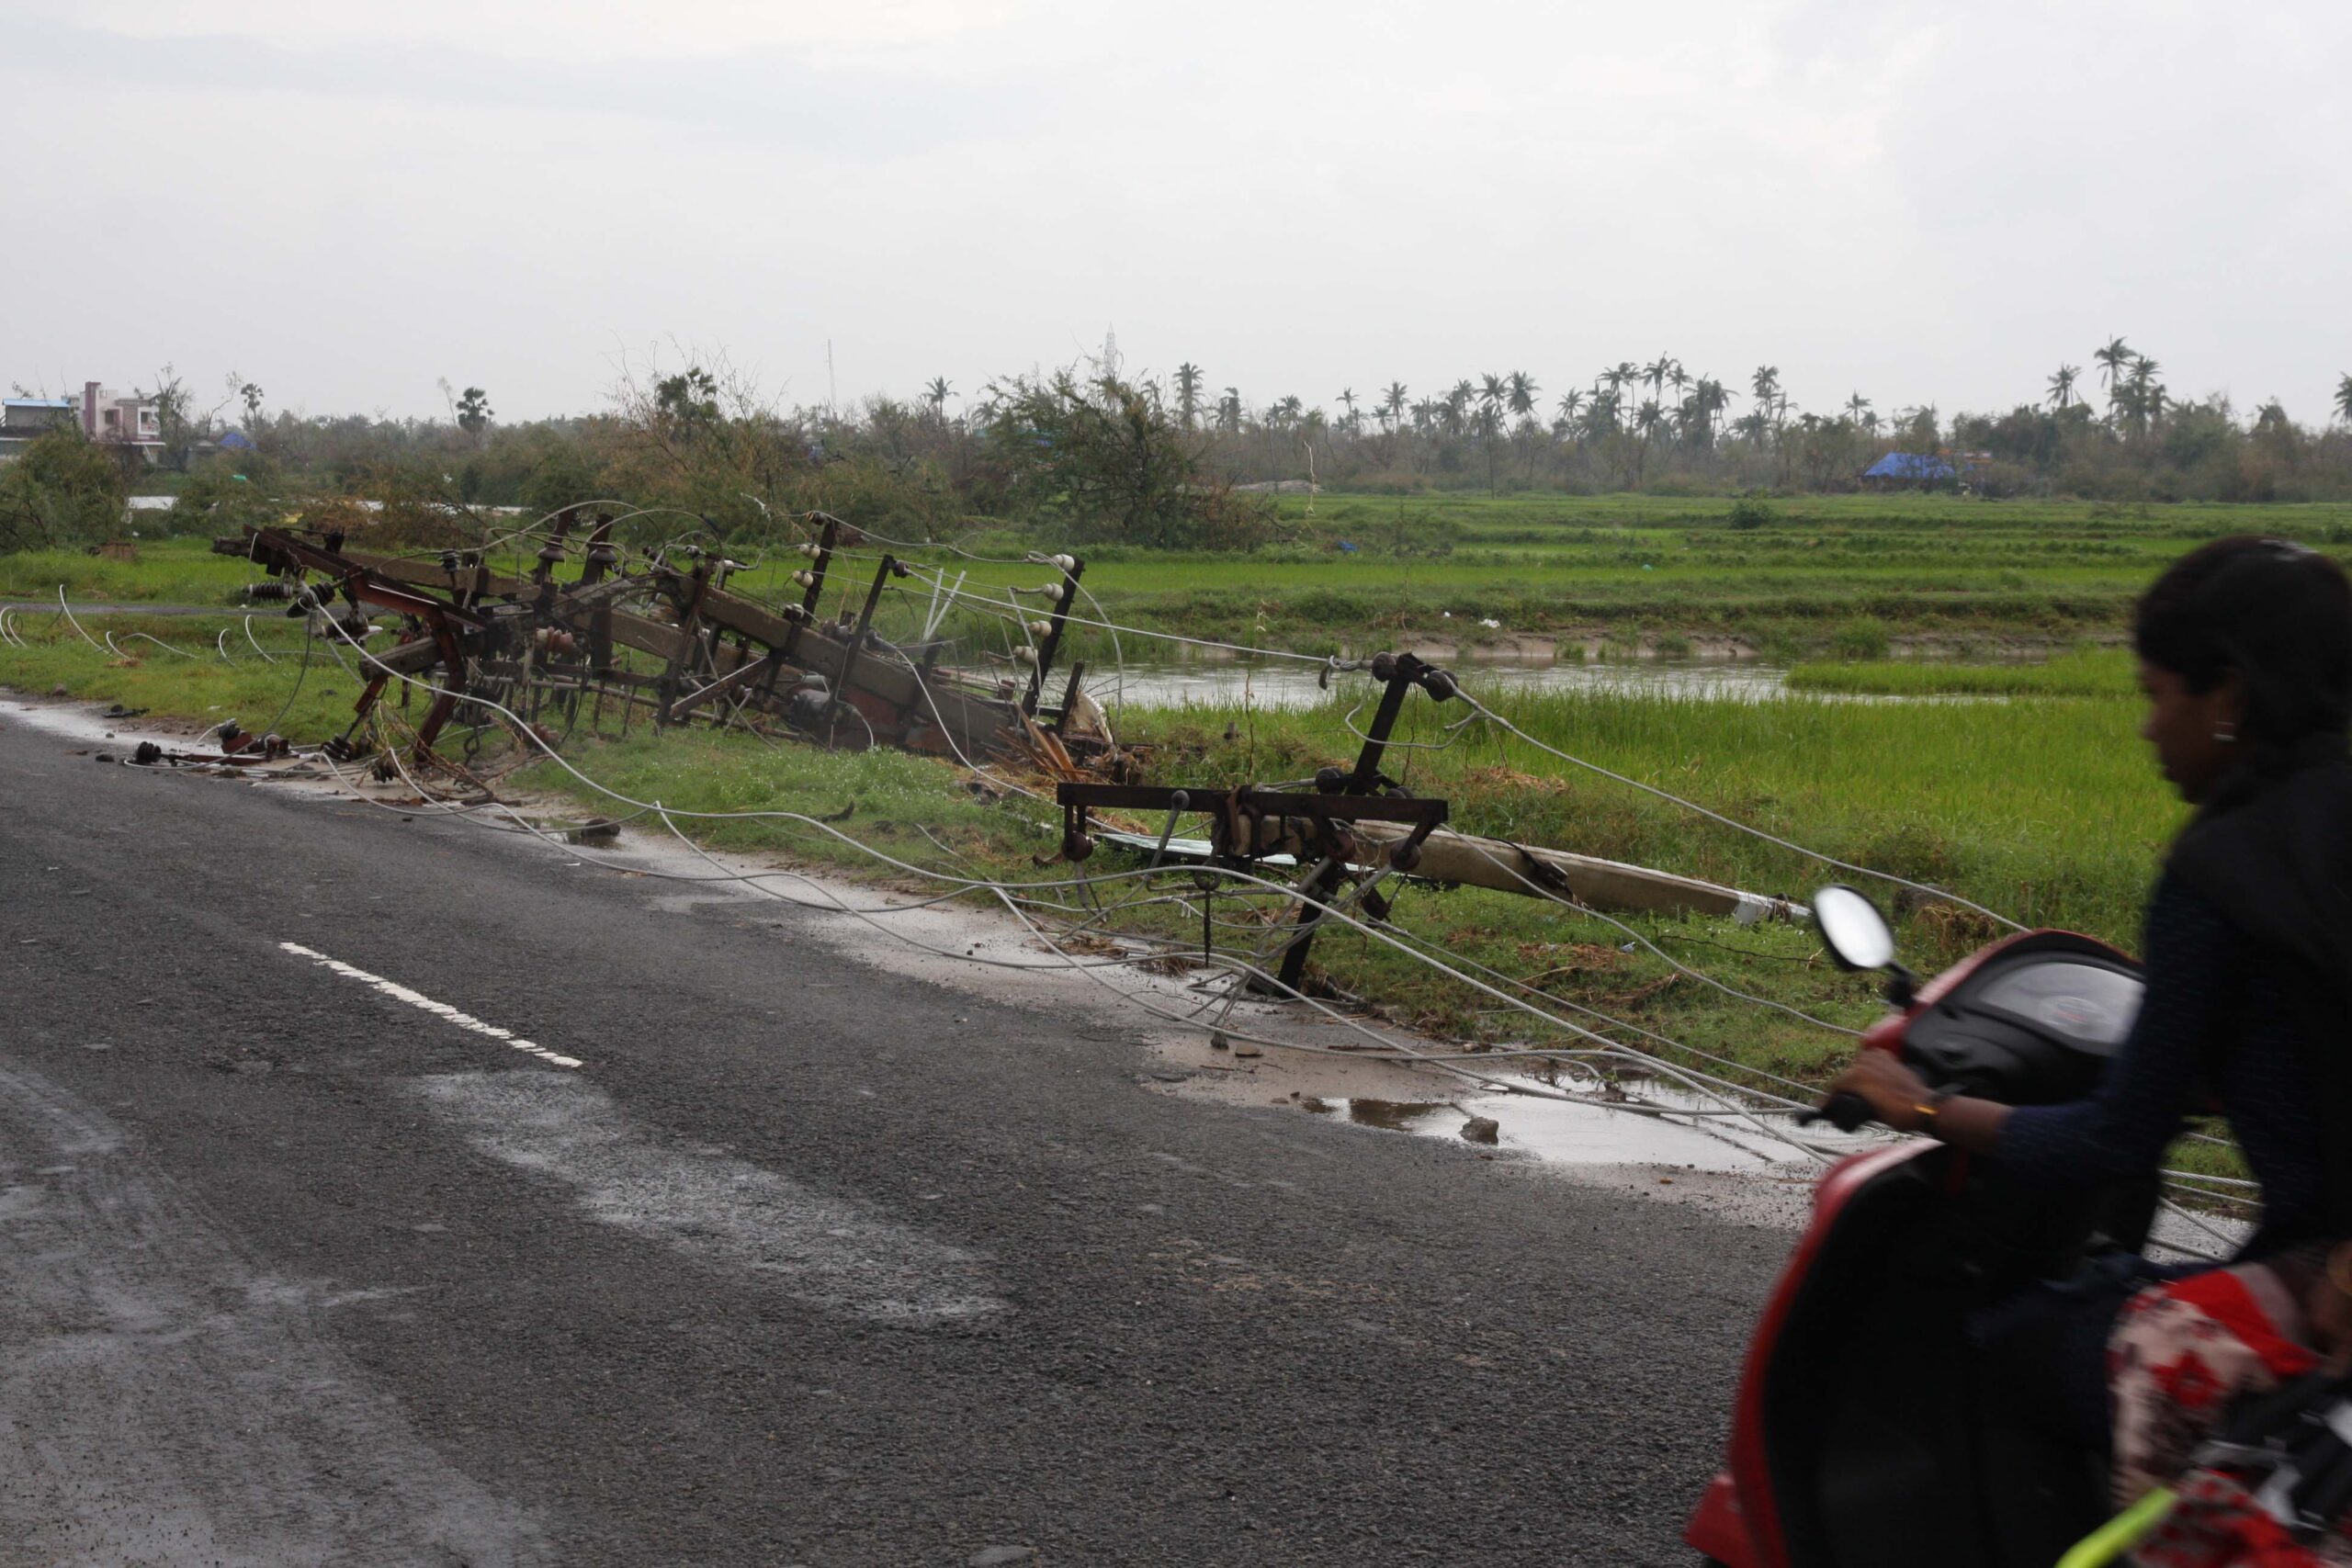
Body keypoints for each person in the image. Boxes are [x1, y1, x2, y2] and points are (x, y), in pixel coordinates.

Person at [1828, 536, 2352, 1477]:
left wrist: (1915, 1104)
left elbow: (2115, 1144)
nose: (2148, 729)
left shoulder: (2225, 870)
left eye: (2156, 695)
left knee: (2021, 1344)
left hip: (2325, 1285)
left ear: (2227, 695)